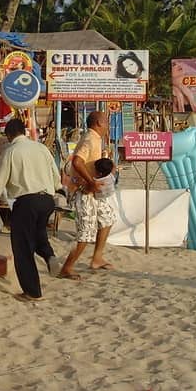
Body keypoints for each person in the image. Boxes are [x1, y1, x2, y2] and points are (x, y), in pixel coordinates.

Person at [0, 119, 62, 301]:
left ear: (9, 135)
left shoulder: (10, 152)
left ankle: (32, 291)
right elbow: (56, 179)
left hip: (26, 202)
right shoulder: (42, 149)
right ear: (24, 132)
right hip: (47, 200)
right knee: (38, 233)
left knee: (22, 247)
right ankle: (49, 255)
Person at [59, 111, 117, 279]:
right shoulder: (90, 139)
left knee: (108, 218)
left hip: (93, 191)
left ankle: (97, 258)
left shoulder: (95, 139)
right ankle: (67, 267)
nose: (108, 126)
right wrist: (90, 181)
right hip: (83, 192)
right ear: (99, 123)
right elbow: (77, 161)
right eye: (106, 122)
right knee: (86, 232)